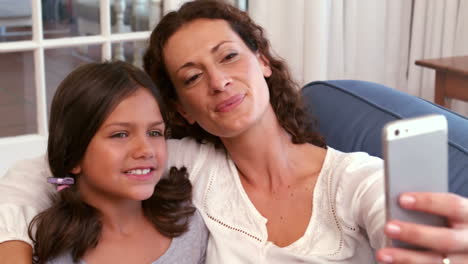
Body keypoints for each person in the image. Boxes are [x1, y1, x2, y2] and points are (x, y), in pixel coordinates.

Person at [1, 1, 468, 263]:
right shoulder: (187, 166)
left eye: (228, 56)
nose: (219, 81)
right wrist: (14, 249)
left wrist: (441, 248)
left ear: (262, 60)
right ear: (182, 110)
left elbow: (403, 227)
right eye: (190, 77)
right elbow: (40, 170)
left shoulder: (356, 180)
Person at [24, 61, 208, 264]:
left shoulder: (189, 225)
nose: (146, 150)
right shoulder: (49, 253)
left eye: (155, 132)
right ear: (74, 153)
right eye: (120, 134)